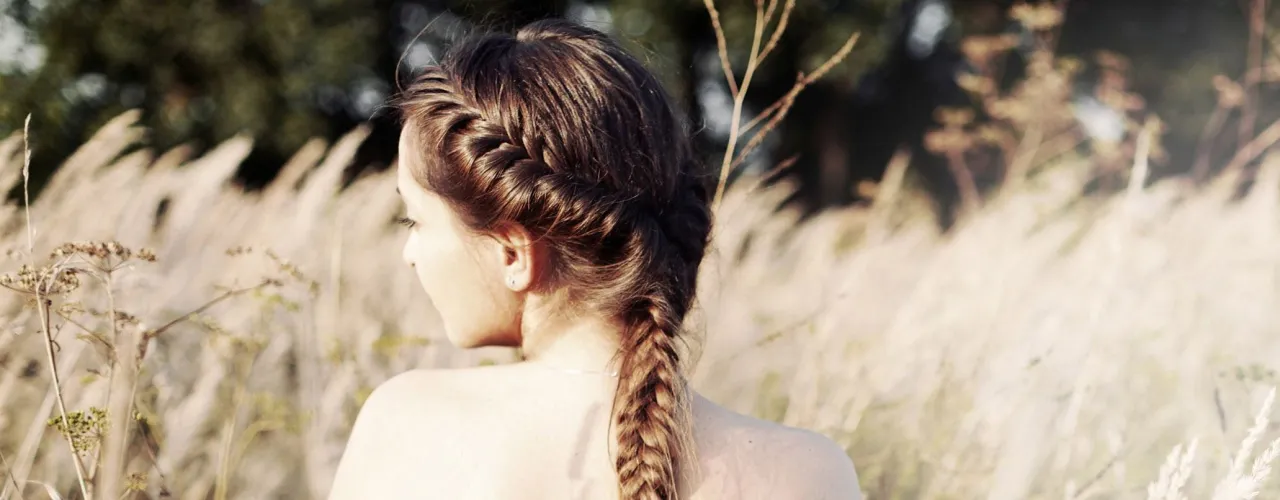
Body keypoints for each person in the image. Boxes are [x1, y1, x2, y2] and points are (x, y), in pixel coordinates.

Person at [327, 19, 862, 500]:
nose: (409, 255)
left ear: (513, 252)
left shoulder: (410, 425)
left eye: (416, 222)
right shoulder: (809, 470)